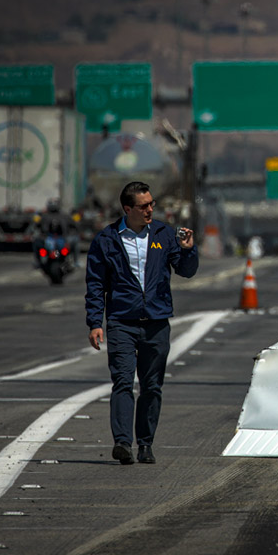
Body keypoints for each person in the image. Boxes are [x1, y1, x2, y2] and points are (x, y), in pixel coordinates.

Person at [84, 182, 198, 465]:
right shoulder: (106, 239)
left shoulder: (163, 234)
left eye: (151, 204)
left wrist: (187, 250)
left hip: (156, 322)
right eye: (144, 206)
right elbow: (96, 284)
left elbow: (186, 271)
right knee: (122, 382)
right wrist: (95, 322)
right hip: (122, 322)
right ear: (127, 209)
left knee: (151, 386)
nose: (150, 209)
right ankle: (123, 443)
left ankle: (145, 444)